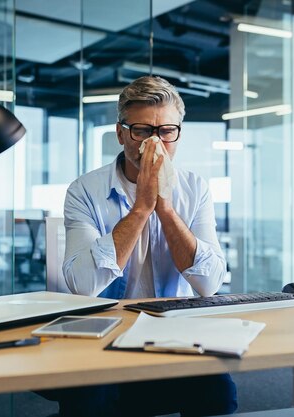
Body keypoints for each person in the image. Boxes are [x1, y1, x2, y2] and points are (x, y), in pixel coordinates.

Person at [47, 76, 236, 417]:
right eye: (142, 131)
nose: (155, 143)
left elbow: (209, 283)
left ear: (178, 131)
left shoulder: (195, 188)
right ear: (121, 133)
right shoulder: (84, 190)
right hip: (105, 332)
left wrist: (164, 207)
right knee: (90, 400)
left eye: (166, 131)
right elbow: (83, 285)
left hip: (175, 331)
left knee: (218, 393)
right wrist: (141, 208)